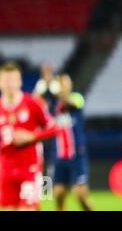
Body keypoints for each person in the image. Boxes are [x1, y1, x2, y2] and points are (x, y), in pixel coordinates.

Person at [0, 62, 59, 210]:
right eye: (6, 80)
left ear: (20, 82)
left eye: (13, 80)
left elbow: (54, 128)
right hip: (5, 168)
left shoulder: (33, 103)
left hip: (30, 167)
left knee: (28, 208)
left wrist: (32, 136)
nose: (10, 84)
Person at [51, 73, 93, 211]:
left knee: (80, 194)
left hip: (77, 156)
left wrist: (59, 92)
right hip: (59, 157)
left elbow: (72, 103)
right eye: (61, 83)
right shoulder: (53, 106)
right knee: (58, 194)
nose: (63, 86)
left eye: (65, 83)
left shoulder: (77, 98)